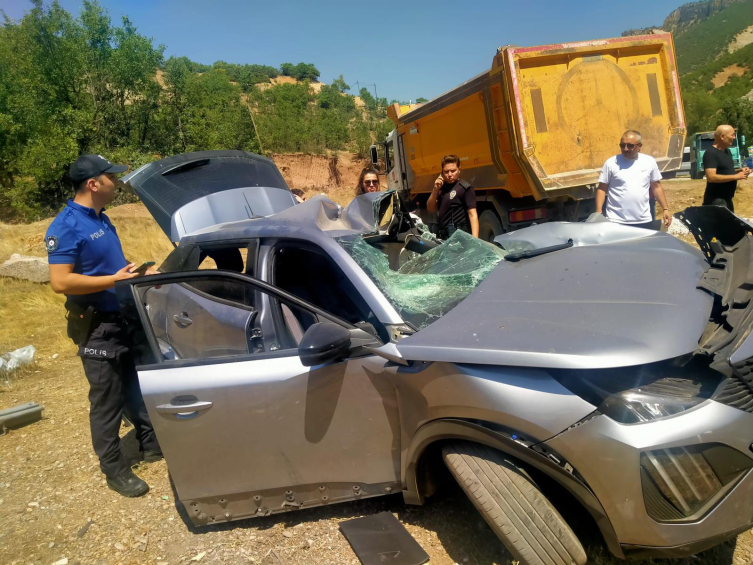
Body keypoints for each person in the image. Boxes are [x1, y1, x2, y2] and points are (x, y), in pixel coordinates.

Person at [45, 154, 161, 498]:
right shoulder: (65, 226)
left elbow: (108, 265)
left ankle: (150, 443)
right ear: (93, 184)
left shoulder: (103, 218)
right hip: (97, 325)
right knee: (107, 399)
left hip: (123, 315)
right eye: (111, 177)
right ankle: (114, 469)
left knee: (135, 384)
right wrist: (113, 280)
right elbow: (60, 282)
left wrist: (135, 271)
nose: (117, 181)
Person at [595, 130, 671, 229]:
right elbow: (602, 188)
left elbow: (656, 187)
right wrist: (598, 212)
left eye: (630, 146)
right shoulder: (611, 163)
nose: (625, 149)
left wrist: (665, 209)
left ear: (639, 146)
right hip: (616, 221)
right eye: (622, 145)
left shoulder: (649, 162)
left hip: (643, 220)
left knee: (644, 245)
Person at [426, 155, 479, 238]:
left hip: (459, 236)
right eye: (446, 171)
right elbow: (430, 208)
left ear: (459, 170)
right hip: (443, 236)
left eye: (453, 171)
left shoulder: (464, 188)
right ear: (442, 172)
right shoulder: (441, 187)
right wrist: (435, 190)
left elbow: (472, 215)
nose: (450, 174)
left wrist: (475, 240)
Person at [702, 124, 751, 212]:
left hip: (727, 199)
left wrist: (739, 171)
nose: (734, 138)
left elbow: (724, 170)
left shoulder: (727, 151)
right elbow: (711, 177)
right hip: (716, 201)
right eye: (732, 135)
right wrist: (736, 176)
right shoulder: (710, 153)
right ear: (722, 136)